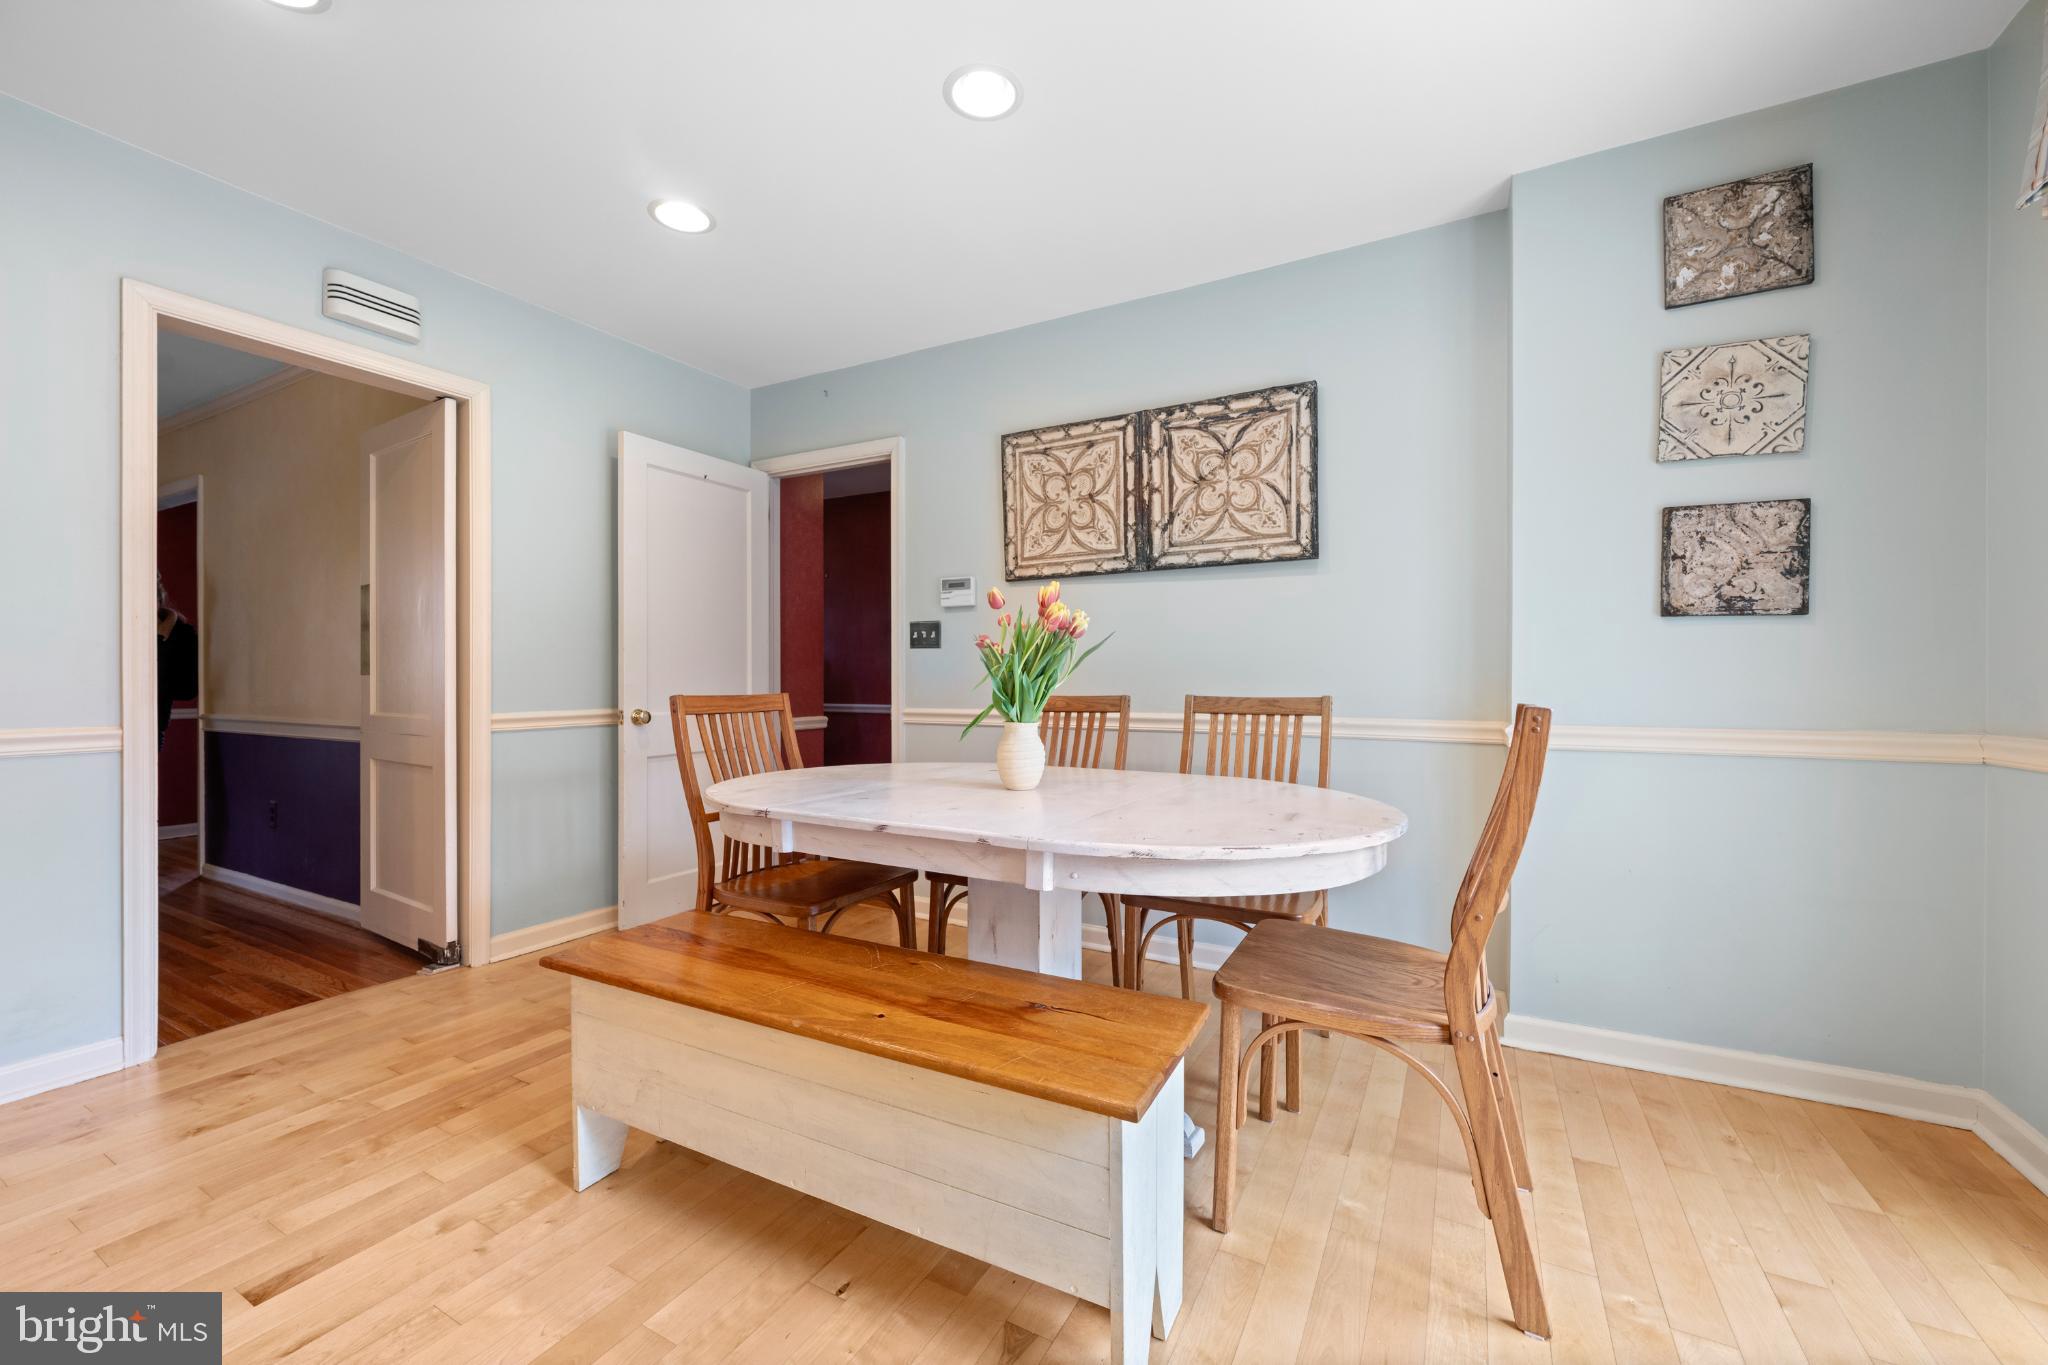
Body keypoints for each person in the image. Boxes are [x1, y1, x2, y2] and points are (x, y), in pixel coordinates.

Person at [157, 573, 198, 748]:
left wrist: (160, 643)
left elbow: (189, 689)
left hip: (153, 727)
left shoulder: (182, 634)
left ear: (159, 598)